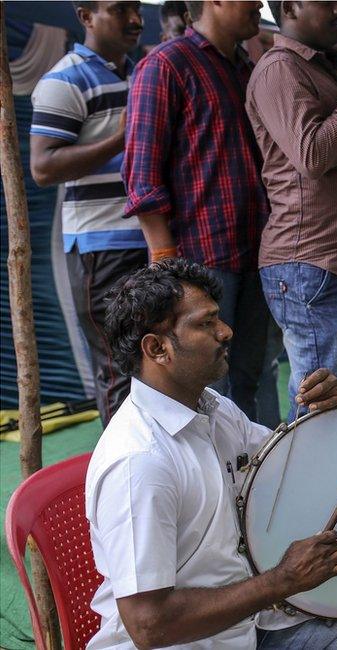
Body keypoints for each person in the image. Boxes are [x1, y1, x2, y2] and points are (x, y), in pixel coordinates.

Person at [87, 258, 337, 649]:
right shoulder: (139, 463)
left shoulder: (213, 409)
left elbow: (293, 463)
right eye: (205, 323)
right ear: (157, 349)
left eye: (218, 318)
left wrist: (326, 416)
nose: (226, 331)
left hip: (246, 629)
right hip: (185, 643)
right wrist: (282, 581)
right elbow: (149, 625)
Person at [124, 0, 272, 422]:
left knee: (254, 375)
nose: (261, 4)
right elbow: (142, 176)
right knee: (207, 385)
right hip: (199, 260)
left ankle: (259, 480)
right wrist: (168, 267)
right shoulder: (166, 65)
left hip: (259, 254)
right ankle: (212, 486)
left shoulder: (248, 68)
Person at [246, 1, 337, 409]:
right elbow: (312, 156)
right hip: (311, 263)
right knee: (319, 409)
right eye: (329, 2)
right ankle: (303, 476)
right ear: (290, 7)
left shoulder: (325, 69)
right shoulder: (280, 69)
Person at [30, 1, 147, 426]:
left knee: (153, 372)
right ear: (85, 17)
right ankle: (123, 484)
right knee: (121, 371)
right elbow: (43, 168)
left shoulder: (142, 70)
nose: (135, 19)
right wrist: (118, 140)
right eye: (120, 10)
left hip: (150, 238)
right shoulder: (65, 78)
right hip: (102, 248)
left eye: (136, 8)